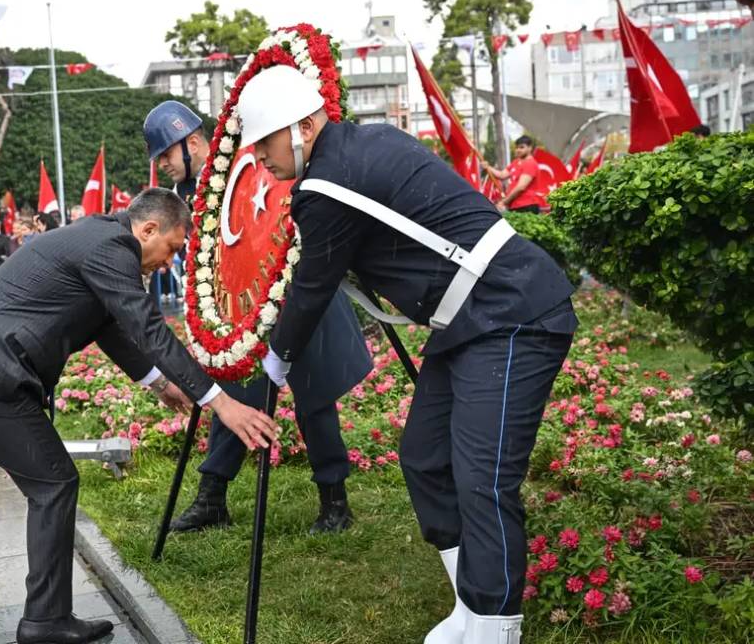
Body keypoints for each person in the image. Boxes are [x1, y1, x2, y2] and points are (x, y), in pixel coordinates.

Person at [0, 189, 276, 644]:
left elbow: (112, 330)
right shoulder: (111, 248)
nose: (168, 263)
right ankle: (45, 620)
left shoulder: (95, 237)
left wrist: (160, 385)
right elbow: (148, 328)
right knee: (54, 483)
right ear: (147, 229)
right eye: (172, 249)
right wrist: (220, 401)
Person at [239, 65, 577, 643]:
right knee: (424, 456)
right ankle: (470, 607)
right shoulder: (362, 144)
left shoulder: (324, 186)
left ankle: (497, 628)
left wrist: (278, 357)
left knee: (482, 479)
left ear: (302, 126)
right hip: (471, 319)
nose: (260, 157)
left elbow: (313, 285)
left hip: (510, 309)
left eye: (265, 141)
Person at [143, 99, 373, 533]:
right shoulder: (188, 196)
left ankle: (335, 500)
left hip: (295, 293)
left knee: (314, 400)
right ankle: (212, 496)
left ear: (192, 142)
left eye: (167, 155)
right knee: (231, 394)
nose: (164, 166)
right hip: (240, 310)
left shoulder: (250, 159)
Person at [485, 136, 542, 214]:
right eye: (517, 148)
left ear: (530, 148)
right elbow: (501, 175)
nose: (518, 150)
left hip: (527, 206)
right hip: (515, 206)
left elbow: (520, 187)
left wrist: (504, 202)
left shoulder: (530, 163)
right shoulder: (516, 162)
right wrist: (487, 167)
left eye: (522, 147)